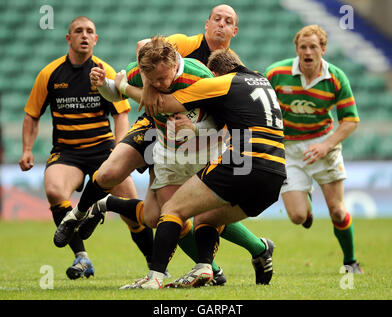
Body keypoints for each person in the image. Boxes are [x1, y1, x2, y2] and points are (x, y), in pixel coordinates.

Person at [54, 5, 275, 285]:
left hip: (200, 143)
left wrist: (192, 126)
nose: (221, 25)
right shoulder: (183, 44)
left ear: (235, 30)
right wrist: (117, 85)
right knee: (113, 174)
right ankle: (79, 213)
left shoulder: (209, 77)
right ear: (206, 24)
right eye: (216, 19)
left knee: (164, 214)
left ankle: (218, 262)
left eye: (227, 21)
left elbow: (221, 122)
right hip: (156, 129)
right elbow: (143, 48)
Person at [104, 48, 286, 289]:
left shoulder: (221, 82)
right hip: (275, 174)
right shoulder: (262, 81)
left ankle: (155, 278)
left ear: (214, 72)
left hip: (244, 161)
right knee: (206, 218)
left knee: (172, 209)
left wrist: (125, 87)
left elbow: (164, 103)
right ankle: (206, 266)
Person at [19, 16, 141, 280]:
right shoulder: (49, 74)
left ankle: (155, 263)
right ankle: (81, 257)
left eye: (90, 32)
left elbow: (121, 114)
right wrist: (27, 149)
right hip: (68, 152)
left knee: (132, 207)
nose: (84, 35)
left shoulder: (104, 71)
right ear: (68, 38)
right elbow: (32, 115)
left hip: (103, 150)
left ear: (95, 39)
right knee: (53, 189)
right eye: (78, 31)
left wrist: (119, 148)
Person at [264, 25, 363, 273]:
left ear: (323, 49)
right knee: (297, 217)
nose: (308, 52)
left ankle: (350, 262)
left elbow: (350, 120)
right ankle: (305, 198)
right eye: (303, 47)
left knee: (338, 212)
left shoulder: (336, 77)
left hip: (324, 145)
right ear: (296, 49)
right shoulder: (276, 73)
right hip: (289, 149)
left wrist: (326, 145)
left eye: (313, 47)